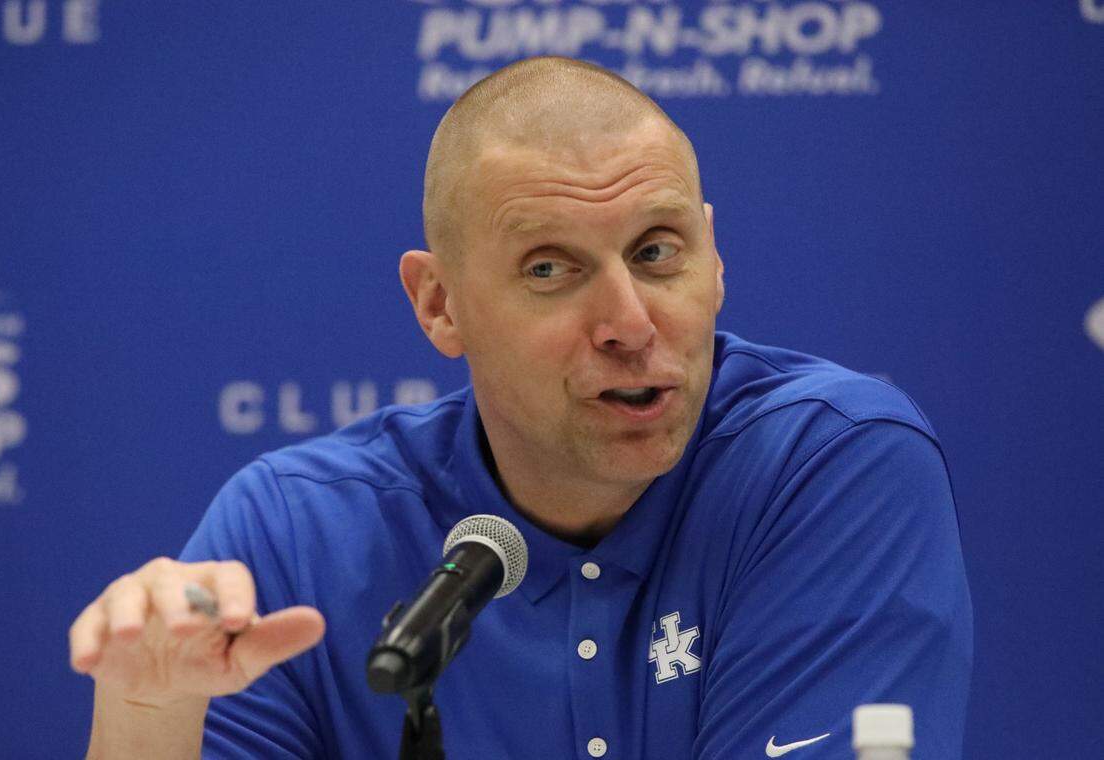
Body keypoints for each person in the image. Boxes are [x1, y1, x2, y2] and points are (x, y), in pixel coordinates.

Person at [69, 56, 972, 759]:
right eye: (551, 269)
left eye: (659, 252)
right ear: (439, 305)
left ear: (716, 256)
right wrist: (152, 706)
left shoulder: (828, 463)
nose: (629, 321)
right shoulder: (297, 531)